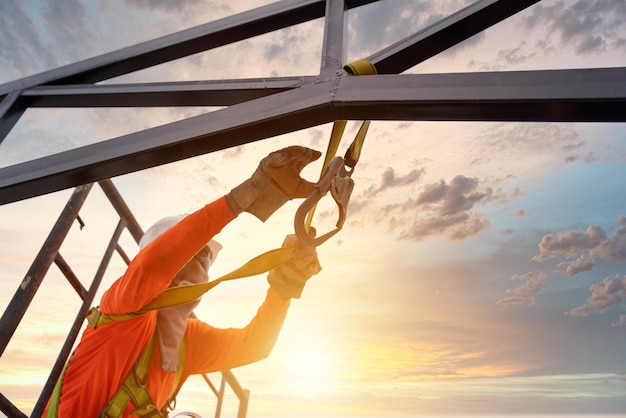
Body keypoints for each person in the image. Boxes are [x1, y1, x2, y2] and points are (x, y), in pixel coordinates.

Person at [44, 146, 323, 417]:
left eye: (203, 260)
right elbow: (156, 265)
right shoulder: (124, 308)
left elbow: (254, 346)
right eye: (191, 256)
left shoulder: (187, 341)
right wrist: (241, 198)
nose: (197, 267)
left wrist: (284, 285)